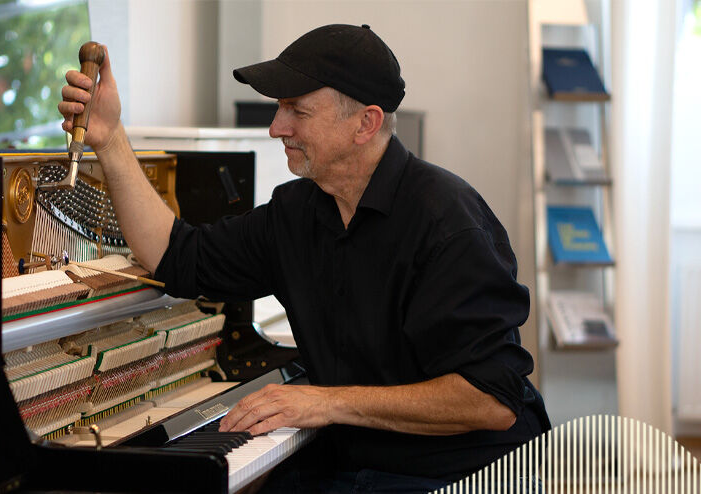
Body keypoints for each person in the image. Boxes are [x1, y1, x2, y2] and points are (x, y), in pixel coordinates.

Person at [59, 23, 550, 493]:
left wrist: (325, 402)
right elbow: (176, 255)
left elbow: (490, 399)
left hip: (462, 472)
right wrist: (110, 138)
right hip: (354, 461)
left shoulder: (447, 222)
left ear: (366, 123)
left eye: (297, 111)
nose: (276, 127)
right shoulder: (296, 213)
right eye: (278, 109)